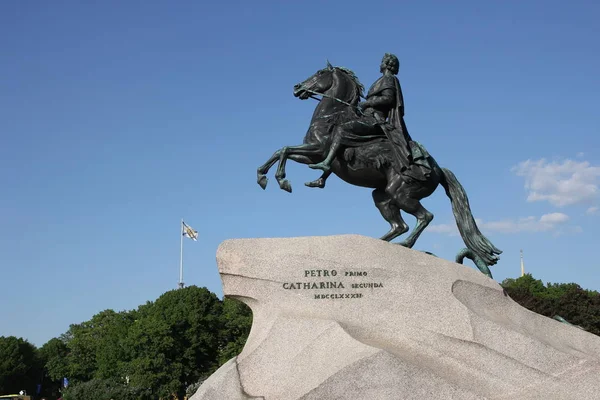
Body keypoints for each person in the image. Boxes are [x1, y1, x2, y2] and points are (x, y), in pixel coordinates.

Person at [306, 53, 430, 187]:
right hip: (368, 116)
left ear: (387, 64)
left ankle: (326, 162)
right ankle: (322, 178)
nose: (380, 64)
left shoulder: (389, 79)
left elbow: (389, 99)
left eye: (382, 61)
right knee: (340, 140)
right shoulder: (382, 80)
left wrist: (367, 103)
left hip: (376, 120)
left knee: (342, 129)